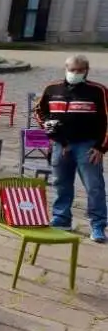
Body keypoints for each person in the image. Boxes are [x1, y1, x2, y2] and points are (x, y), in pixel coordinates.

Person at [34, 55, 108, 243]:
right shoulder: (52, 88)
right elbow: (39, 111)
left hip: (88, 146)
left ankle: (98, 225)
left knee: (94, 187)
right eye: (72, 69)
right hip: (61, 145)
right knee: (61, 183)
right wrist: (53, 134)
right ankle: (62, 218)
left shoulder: (98, 91)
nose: (75, 73)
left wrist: (101, 147)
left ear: (87, 71)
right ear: (65, 69)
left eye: (80, 70)